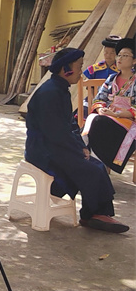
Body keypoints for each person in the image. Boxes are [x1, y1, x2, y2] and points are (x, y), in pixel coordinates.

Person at [25, 47, 129, 233]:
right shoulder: (51, 93)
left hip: (56, 143)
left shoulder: (60, 89)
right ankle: (95, 214)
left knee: (95, 164)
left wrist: (81, 146)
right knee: (91, 168)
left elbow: (70, 126)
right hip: (43, 148)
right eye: (79, 67)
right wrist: (76, 150)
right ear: (66, 70)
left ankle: (94, 213)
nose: (81, 71)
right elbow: (55, 132)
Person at [85, 37, 136, 175]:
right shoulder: (111, 79)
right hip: (107, 117)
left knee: (98, 123)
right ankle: (96, 167)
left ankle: (97, 166)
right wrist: (101, 108)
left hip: (128, 122)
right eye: (119, 55)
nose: (119, 58)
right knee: (95, 121)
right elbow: (99, 98)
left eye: (125, 56)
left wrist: (116, 114)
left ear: (134, 61)